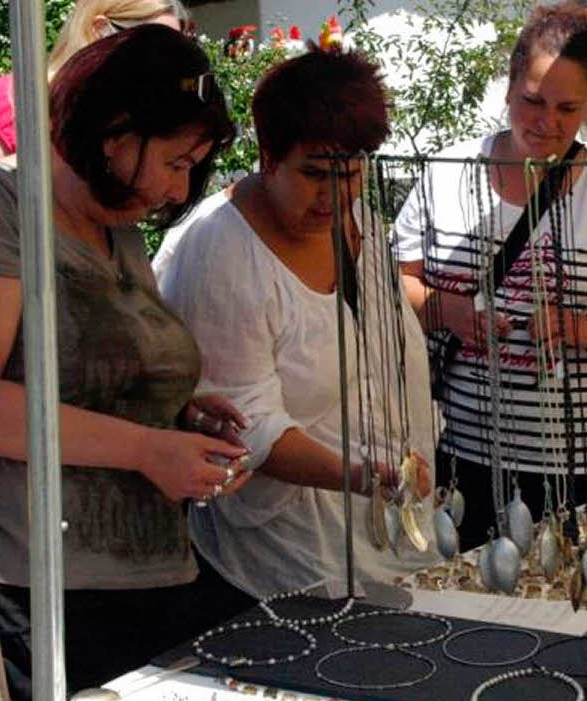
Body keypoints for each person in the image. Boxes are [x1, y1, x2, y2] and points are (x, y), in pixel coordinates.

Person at [0, 25, 246, 701]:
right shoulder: (11, 214)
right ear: (114, 134)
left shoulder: (120, 231)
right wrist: (146, 448)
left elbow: (86, 376)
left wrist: (176, 413)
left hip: (154, 576)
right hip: (51, 594)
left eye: (193, 168)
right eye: (174, 163)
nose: (179, 189)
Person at [395, 0, 587, 551]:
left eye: (567, 108)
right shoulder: (447, 175)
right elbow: (399, 284)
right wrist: (451, 312)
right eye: (532, 101)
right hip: (465, 455)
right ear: (508, 87)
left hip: (584, 466)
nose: (546, 123)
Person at [154, 48, 437, 601]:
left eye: (350, 173)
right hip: (284, 560)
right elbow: (246, 424)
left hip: (384, 536)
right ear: (268, 157)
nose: (334, 196)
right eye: (313, 174)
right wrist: (362, 475)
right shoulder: (222, 252)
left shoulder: (358, 223)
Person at [0, 0, 187, 157]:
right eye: (154, 48)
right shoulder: (16, 104)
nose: (167, 66)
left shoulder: (126, 117)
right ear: (102, 30)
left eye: (176, 53)